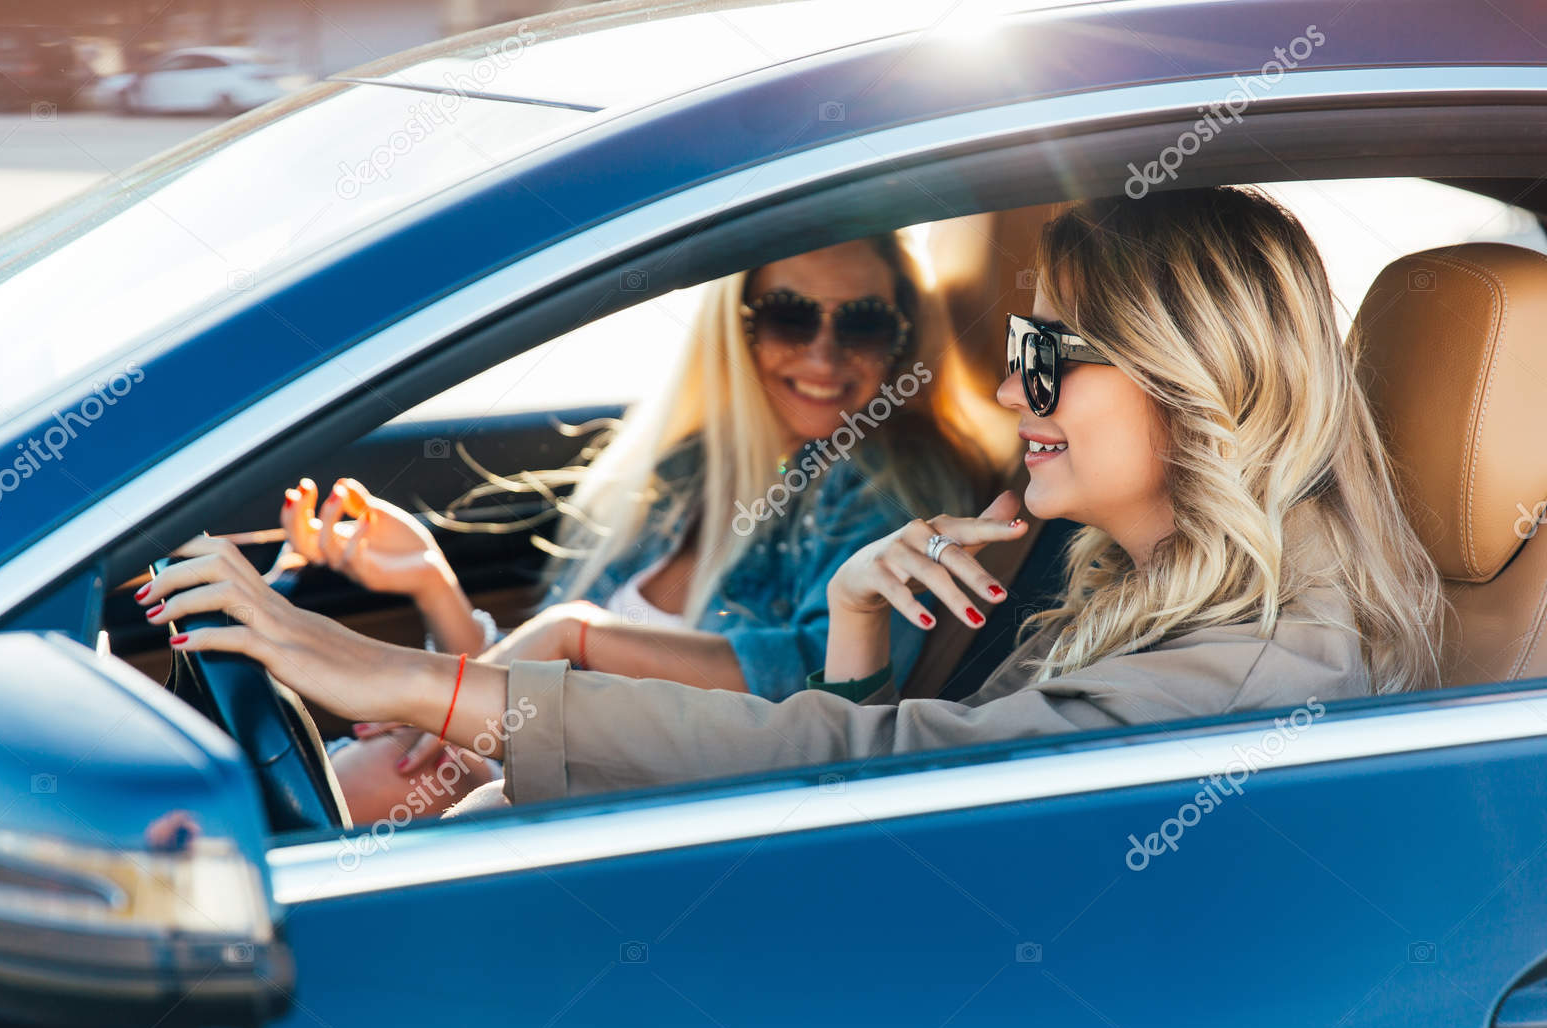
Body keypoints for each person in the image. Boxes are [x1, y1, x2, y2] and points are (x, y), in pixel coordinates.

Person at [138, 186, 1444, 814]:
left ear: (1190, 376)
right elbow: (885, 780)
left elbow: (885, 777)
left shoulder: (1252, 659)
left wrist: (406, 677)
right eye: (1017, 347)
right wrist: (861, 622)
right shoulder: (1119, 569)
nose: (1010, 385)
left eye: (1049, 356)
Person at [253, 232, 993, 819]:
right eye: (789, 317)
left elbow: (822, 694)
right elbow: (528, 691)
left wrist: (580, 632)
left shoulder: (887, 487)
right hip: (548, 766)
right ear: (737, 327)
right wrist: (435, 586)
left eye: (863, 324)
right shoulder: (686, 472)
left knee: (353, 785)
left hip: (648, 811)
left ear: (902, 339)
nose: (823, 354)